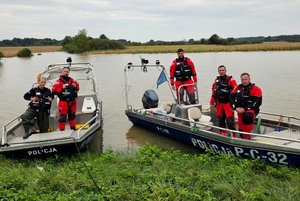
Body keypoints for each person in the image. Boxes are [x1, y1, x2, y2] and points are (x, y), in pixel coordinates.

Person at [230, 73, 262, 139]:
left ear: (249, 79)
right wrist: (235, 107)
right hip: (240, 110)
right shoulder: (238, 88)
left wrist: (245, 109)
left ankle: (248, 138)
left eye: (246, 79)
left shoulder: (256, 89)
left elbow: (258, 102)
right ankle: (242, 138)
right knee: (241, 130)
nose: (244, 81)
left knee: (247, 117)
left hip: (251, 110)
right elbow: (231, 97)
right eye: (242, 79)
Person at [21, 74, 53, 139]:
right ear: (38, 82)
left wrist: (51, 98)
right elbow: (25, 96)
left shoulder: (48, 90)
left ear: (45, 83)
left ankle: (43, 138)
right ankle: (26, 132)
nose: (42, 84)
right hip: (34, 109)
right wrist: (31, 98)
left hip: (43, 111)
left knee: (44, 130)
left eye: (44, 82)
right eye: (41, 82)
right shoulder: (34, 90)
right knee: (25, 116)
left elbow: (52, 96)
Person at [210, 65, 237, 135]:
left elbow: (236, 92)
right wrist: (211, 103)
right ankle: (222, 133)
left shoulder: (231, 80)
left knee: (230, 120)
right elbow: (213, 93)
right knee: (220, 120)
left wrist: (234, 104)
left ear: (225, 71)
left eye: (223, 70)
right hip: (219, 104)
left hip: (228, 103)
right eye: (220, 70)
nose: (221, 72)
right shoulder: (216, 81)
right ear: (218, 71)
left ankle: (233, 134)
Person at [52, 66, 79, 131]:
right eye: (65, 71)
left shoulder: (71, 80)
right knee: (62, 118)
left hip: (72, 102)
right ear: (62, 72)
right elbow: (53, 91)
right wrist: (61, 88)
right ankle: (62, 132)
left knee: (72, 117)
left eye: (67, 72)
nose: (66, 73)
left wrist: (75, 85)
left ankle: (73, 130)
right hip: (63, 103)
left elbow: (77, 87)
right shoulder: (58, 82)